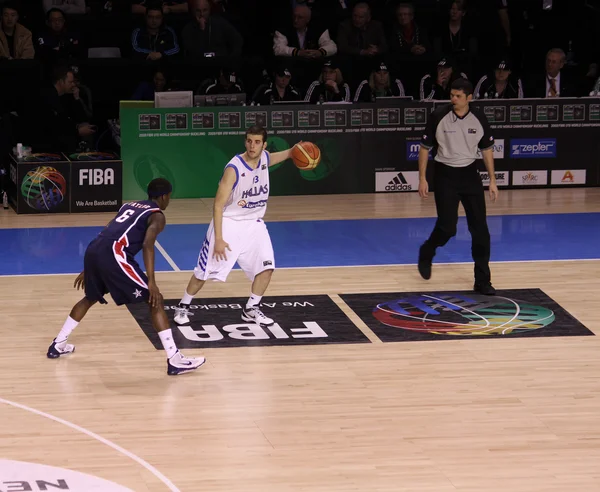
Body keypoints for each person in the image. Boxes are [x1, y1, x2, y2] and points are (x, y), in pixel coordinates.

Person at [47, 178, 205, 376]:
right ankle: (174, 359)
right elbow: (148, 245)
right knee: (155, 299)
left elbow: (108, 229)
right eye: (169, 197)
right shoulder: (157, 216)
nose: (168, 201)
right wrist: (152, 282)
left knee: (90, 297)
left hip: (95, 248)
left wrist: (92, 266)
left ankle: (58, 343)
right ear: (164, 196)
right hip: (114, 253)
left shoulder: (129, 205)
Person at [173, 126, 299, 327]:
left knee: (266, 268)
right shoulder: (234, 168)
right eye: (249, 141)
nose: (252, 145)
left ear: (264, 145)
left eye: (257, 142)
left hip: (254, 224)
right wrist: (220, 239)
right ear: (245, 142)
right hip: (229, 223)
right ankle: (183, 306)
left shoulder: (265, 158)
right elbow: (218, 204)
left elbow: (279, 157)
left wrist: (293, 152)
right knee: (204, 272)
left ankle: (251, 308)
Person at [417, 78, 498, 295]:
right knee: (447, 228)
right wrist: (422, 178)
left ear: (469, 98)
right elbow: (425, 148)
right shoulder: (438, 116)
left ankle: (482, 281)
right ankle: (428, 250)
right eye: (452, 95)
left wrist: (492, 179)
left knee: (480, 230)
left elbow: (487, 149)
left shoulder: (479, 118)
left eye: (458, 96)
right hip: (445, 174)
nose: (453, 99)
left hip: (470, 174)